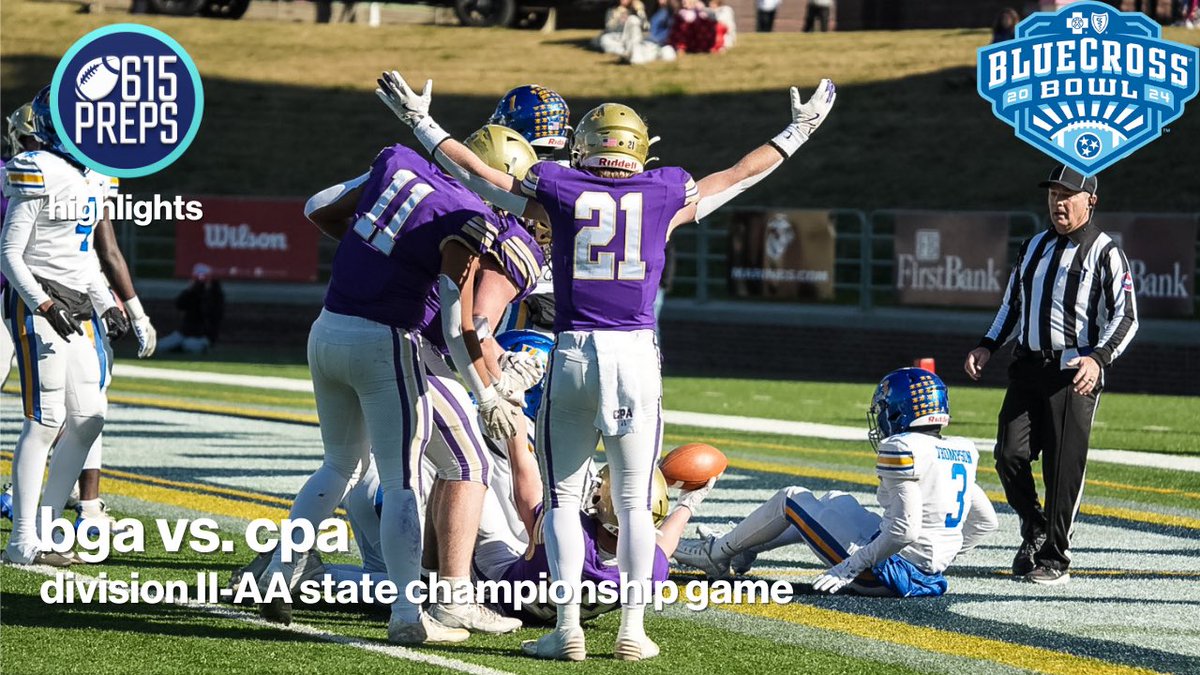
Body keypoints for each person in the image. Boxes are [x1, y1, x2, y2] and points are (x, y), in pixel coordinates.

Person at [377, 69, 836, 661]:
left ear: (583, 148)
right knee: (633, 499)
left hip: (573, 353)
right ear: (642, 150)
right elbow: (737, 177)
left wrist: (420, 121)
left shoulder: (560, 187)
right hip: (636, 355)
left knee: (564, 500)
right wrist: (799, 131)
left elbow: (481, 175)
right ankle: (631, 631)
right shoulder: (665, 190)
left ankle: (567, 629)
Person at [675, 368, 998, 597]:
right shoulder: (962, 449)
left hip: (883, 573)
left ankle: (717, 553)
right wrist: (938, 555)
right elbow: (985, 522)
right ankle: (745, 547)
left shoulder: (903, 447)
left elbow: (904, 531)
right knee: (834, 500)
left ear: (899, 411)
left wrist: (850, 567)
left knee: (791, 499)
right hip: (917, 569)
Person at [964, 165, 1138, 586]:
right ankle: (1035, 526)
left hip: (1074, 372)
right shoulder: (1032, 247)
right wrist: (987, 344)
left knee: (1063, 468)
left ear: (1090, 200)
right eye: (1053, 194)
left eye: (1068, 195)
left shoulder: (1105, 251)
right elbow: (1012, 304)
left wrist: (1099, 358)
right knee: (1008, 453)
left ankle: (1056, 557)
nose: (1059, 203)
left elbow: (1127, 316)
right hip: (1027, 366)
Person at [1, 86, 126, 567]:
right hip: (37, 303)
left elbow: (84, 258)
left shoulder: (91, 176)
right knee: (45, 418)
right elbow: (10, 254)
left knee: (90, 417)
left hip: (74, 303)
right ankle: (20, 542)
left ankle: (47, 528)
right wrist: (44, 303)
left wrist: (107, 302)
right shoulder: (39, 169)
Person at [158, 263, 223, 353]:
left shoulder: (215, 294)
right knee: (161, 346)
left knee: (189, 345)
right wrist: (190, 290)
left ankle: (201, 347)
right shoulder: (192, 292)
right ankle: (178, 348)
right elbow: (179, 305)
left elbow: (211, 313)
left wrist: (208, 292)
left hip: (203, 336)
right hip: (185, 332)